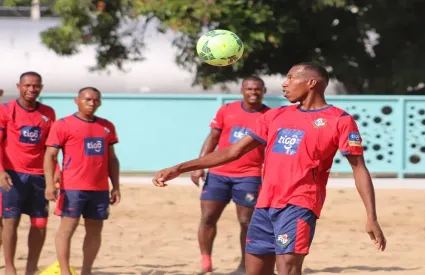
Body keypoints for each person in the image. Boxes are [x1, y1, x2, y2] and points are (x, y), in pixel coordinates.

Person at [153, 62, 387, 275]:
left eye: (290, 78)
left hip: (299, 204)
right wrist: (180, 167)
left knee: (287, 268)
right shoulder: (275, 116)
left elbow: (359, 169)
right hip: (264, 205)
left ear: (311, 83)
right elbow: (232, 151)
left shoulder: (340, 120)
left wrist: (371, 217)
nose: (284, 84)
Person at [190, 76, 270, 274]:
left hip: (249, 175)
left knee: (246, 222)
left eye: (257, 89)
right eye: (249, 89)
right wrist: (199, 165)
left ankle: (244, 265)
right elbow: (213, 137)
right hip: (218, 173)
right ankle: (206, 262)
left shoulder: (270, 115)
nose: (253, 92)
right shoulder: (227, 110)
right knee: (208, 217)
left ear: (264, 91)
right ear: (242, 91)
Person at [44, 87, 121, 275]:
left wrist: (116, 186)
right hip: (72, 188)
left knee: (95, 231)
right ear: (76, 101)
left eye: (96, 100)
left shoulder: (107, 126)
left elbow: (112, 159)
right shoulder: (63, 125)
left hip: (100, 189)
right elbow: (50, 155)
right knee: (67, 229)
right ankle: (64, 271)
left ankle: (86, 271)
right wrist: (49, 184)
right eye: (87, 99)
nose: (92, 103)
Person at [0, 72, 58, 275]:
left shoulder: (48, 113)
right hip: (12, 175)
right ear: (19, 86)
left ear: (41, 88)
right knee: (10, 221)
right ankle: (9, 267)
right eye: (27, 85)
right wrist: (0, 172)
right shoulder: (6, 109)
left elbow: (50, 148)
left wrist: (56, 173)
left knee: (40, 223)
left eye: (36, 86)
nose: (31, 89)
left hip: (39, 176)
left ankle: (31, 270)